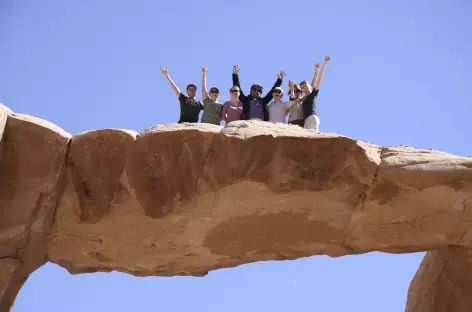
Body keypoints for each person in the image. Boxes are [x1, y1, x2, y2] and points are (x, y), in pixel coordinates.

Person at [289, 56, 330, 131]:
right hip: (307, 120)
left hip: (311, 118)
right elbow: (293, 99)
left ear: (310, 87)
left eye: (306, 86)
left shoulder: (313, 94)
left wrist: (324, 63)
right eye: (303, 88)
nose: (305, 88)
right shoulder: (303, 99)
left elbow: (319, 79)